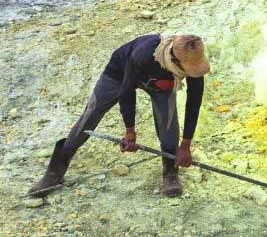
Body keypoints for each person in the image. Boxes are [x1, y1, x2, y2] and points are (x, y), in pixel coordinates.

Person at [28, 33, 210, 198]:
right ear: (175, 59)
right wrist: (130, 131)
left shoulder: (194, 62)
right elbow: (126, 91)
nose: (191, 71)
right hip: (121, 73)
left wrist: (185, 145)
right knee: (89, 117)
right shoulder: (143, 54)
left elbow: (193, 104)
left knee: (168, 124)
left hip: (161, 83)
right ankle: (55, 172)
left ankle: (170, 171)